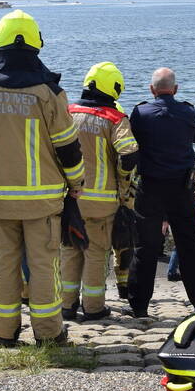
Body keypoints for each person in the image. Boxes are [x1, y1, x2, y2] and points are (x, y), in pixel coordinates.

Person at [0, 10, 85, 347]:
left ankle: (4, 336)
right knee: (43, 269)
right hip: (41, 203)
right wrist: (76, 185)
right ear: (36, 47)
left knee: (3, 268)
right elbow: (69, 149)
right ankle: (50, 337)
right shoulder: (48, 94)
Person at [126, 68, 195, 316]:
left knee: (146, 247)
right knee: (189, 246)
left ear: (152, 90)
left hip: (150, 187)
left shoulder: (140, 112)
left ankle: (139, 306)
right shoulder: (188, 110)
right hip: (182, 188)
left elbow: (132, 143)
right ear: (176, 89)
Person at [60, 62, 138, 321]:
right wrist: (124, 183)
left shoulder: (67, 111)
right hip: (101, 202)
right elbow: (129, 154)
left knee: (70, 251)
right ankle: (93, 308)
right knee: (95, 254)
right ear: (113, 88)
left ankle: (66, 306)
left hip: (68, 199)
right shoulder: (114, 118)